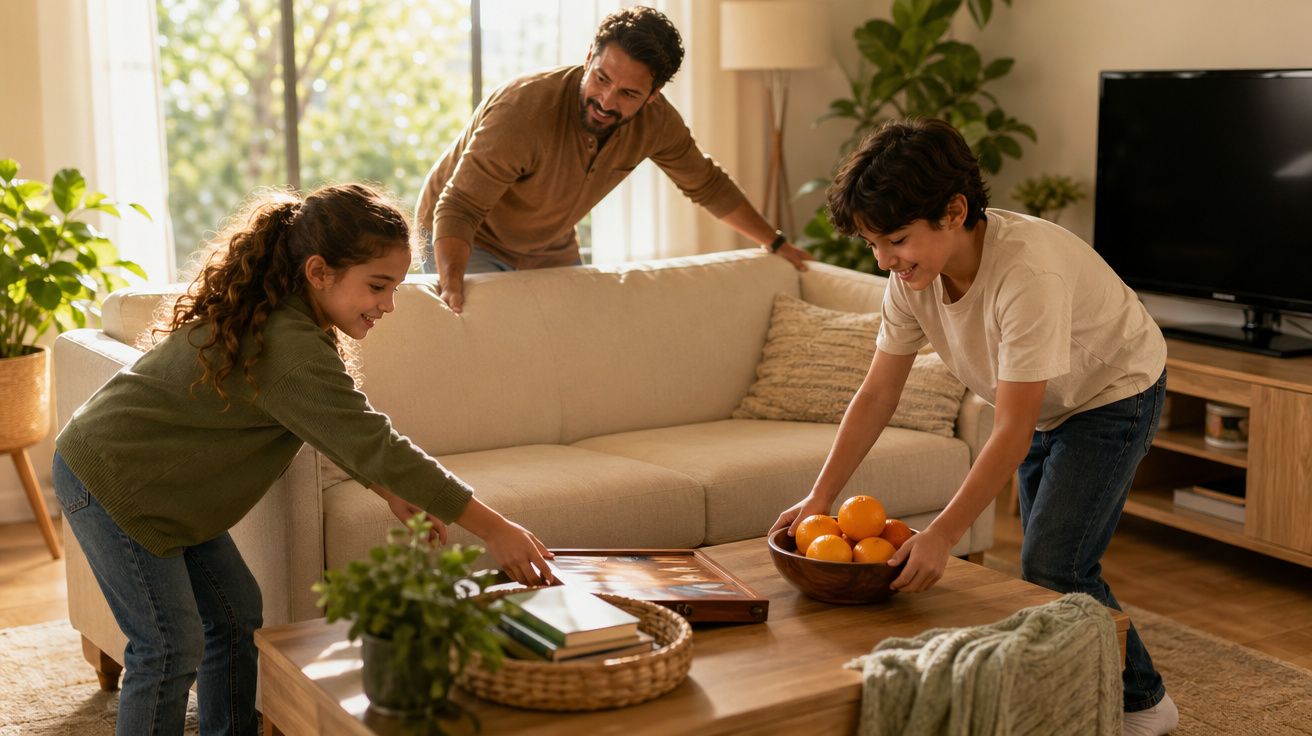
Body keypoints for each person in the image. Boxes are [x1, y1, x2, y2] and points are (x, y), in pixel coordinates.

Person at [53, 183, 556, 736]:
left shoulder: (294, 323)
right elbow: (376, 441)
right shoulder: (285, 344)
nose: (388, 304)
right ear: (319, 272)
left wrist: (390, 490)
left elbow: (342, 430)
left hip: (166, 492)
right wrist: (495, 528)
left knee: (235, 612)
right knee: (169, 648)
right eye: (378, 286)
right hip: (112, 480)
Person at [768, 118, 1178, 736]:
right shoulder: (911, 279)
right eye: (873, 245)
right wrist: (819, 497)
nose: (885, 261)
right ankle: (1079, 697)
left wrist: (941, 535)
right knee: (1047, 577)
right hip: (1046, 403)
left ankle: (1145, 704)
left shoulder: (1026, 274)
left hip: (1113, 394)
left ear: (955, 211)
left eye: (897, 240)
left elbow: (1009, 431)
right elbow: (879, 392)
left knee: (1056, 567)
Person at [414, 5, 812, 313]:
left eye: (628, 94)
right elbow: (460, 206)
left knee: (575, 330)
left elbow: (706, 184)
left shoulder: (657, 123)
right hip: (465, 232)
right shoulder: (523, 110)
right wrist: (451, 285)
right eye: (602, 79)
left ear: (653, 96)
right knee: (489, 330)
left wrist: (776, 242)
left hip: (546, 240)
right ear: (589, 57)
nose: (606, 101)